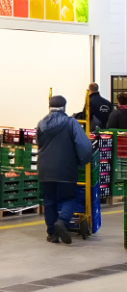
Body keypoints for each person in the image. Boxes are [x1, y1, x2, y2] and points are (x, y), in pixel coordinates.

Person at [37, 95, 93, 245]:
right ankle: (62, 221)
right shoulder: (71, 123)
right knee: (69, 198)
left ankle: (52, 234)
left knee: (49, 201)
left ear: (50, 107)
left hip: (46, 168)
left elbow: (39, 144)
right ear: (64, 107)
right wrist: (82, 160)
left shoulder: (41, 123)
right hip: (66, 168)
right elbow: (84, 146)